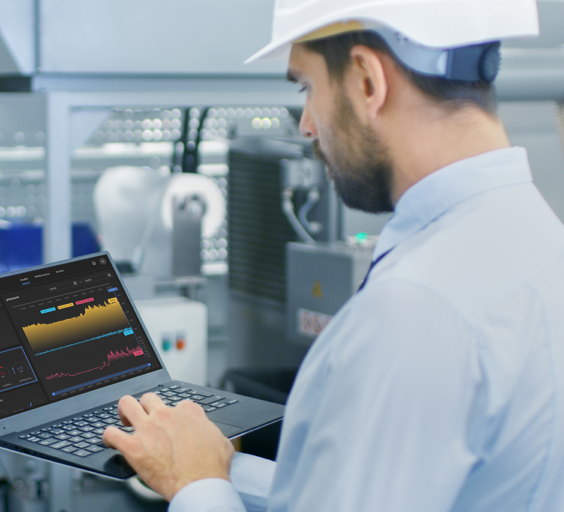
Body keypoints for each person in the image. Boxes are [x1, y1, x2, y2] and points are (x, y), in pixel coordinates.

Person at [103, 0, 564, 510]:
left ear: (367, 80)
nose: (305, 124)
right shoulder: (539, 238)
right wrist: (218, 466)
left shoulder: (413, 312)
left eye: (308, 88)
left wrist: (195, 487)